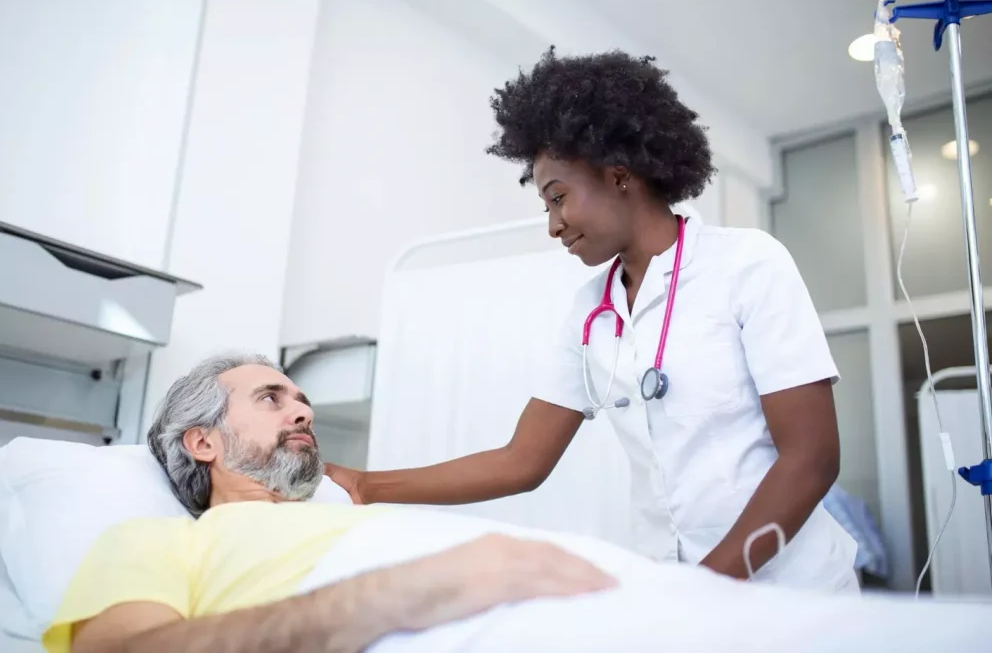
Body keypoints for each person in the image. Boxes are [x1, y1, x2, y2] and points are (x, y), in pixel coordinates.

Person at [325, 46, 859, 592]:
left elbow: (811, 459)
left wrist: (710, 587)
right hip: (675, 591)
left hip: (791, 589)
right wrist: (366, 484)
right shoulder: (592, 311)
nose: (553, 226)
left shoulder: (746, 265)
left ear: (619, 174)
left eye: (559, 199)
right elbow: (521, 460)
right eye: (546, 208)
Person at [49, 354, 618, 653]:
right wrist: (386, 598)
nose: (304, 413)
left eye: (301, 401)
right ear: (203, 442)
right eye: (271, 399)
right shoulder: (159, 540)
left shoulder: (353, 518)